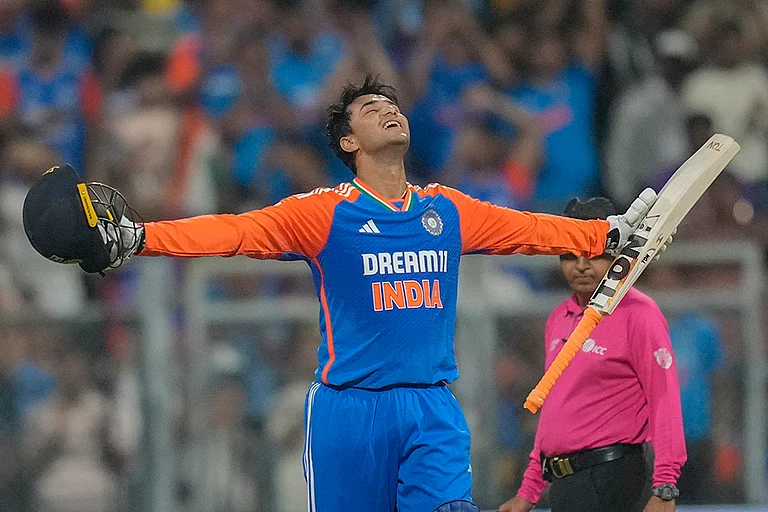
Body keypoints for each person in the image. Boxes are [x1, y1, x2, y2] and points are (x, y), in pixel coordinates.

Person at [25, 75, 658, 512]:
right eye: (370, 108)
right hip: (346, 412)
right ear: (349, 143)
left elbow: (530, 231)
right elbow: (236, 233)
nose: (389, 108)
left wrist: (609, 230)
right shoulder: (324, 213)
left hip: (431, 407)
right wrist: (138, 238)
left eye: (392, 102)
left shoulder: (447, 210)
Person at [498, 197, 686, 512]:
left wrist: (665, 486)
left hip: (613, 477)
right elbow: (556, 410)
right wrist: (528, 491)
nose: (581, 266)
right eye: (569, 255)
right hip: (566, 484)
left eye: (594, 255)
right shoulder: (559, 317)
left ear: (617, 253)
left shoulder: (638, 314)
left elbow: (664, 399)